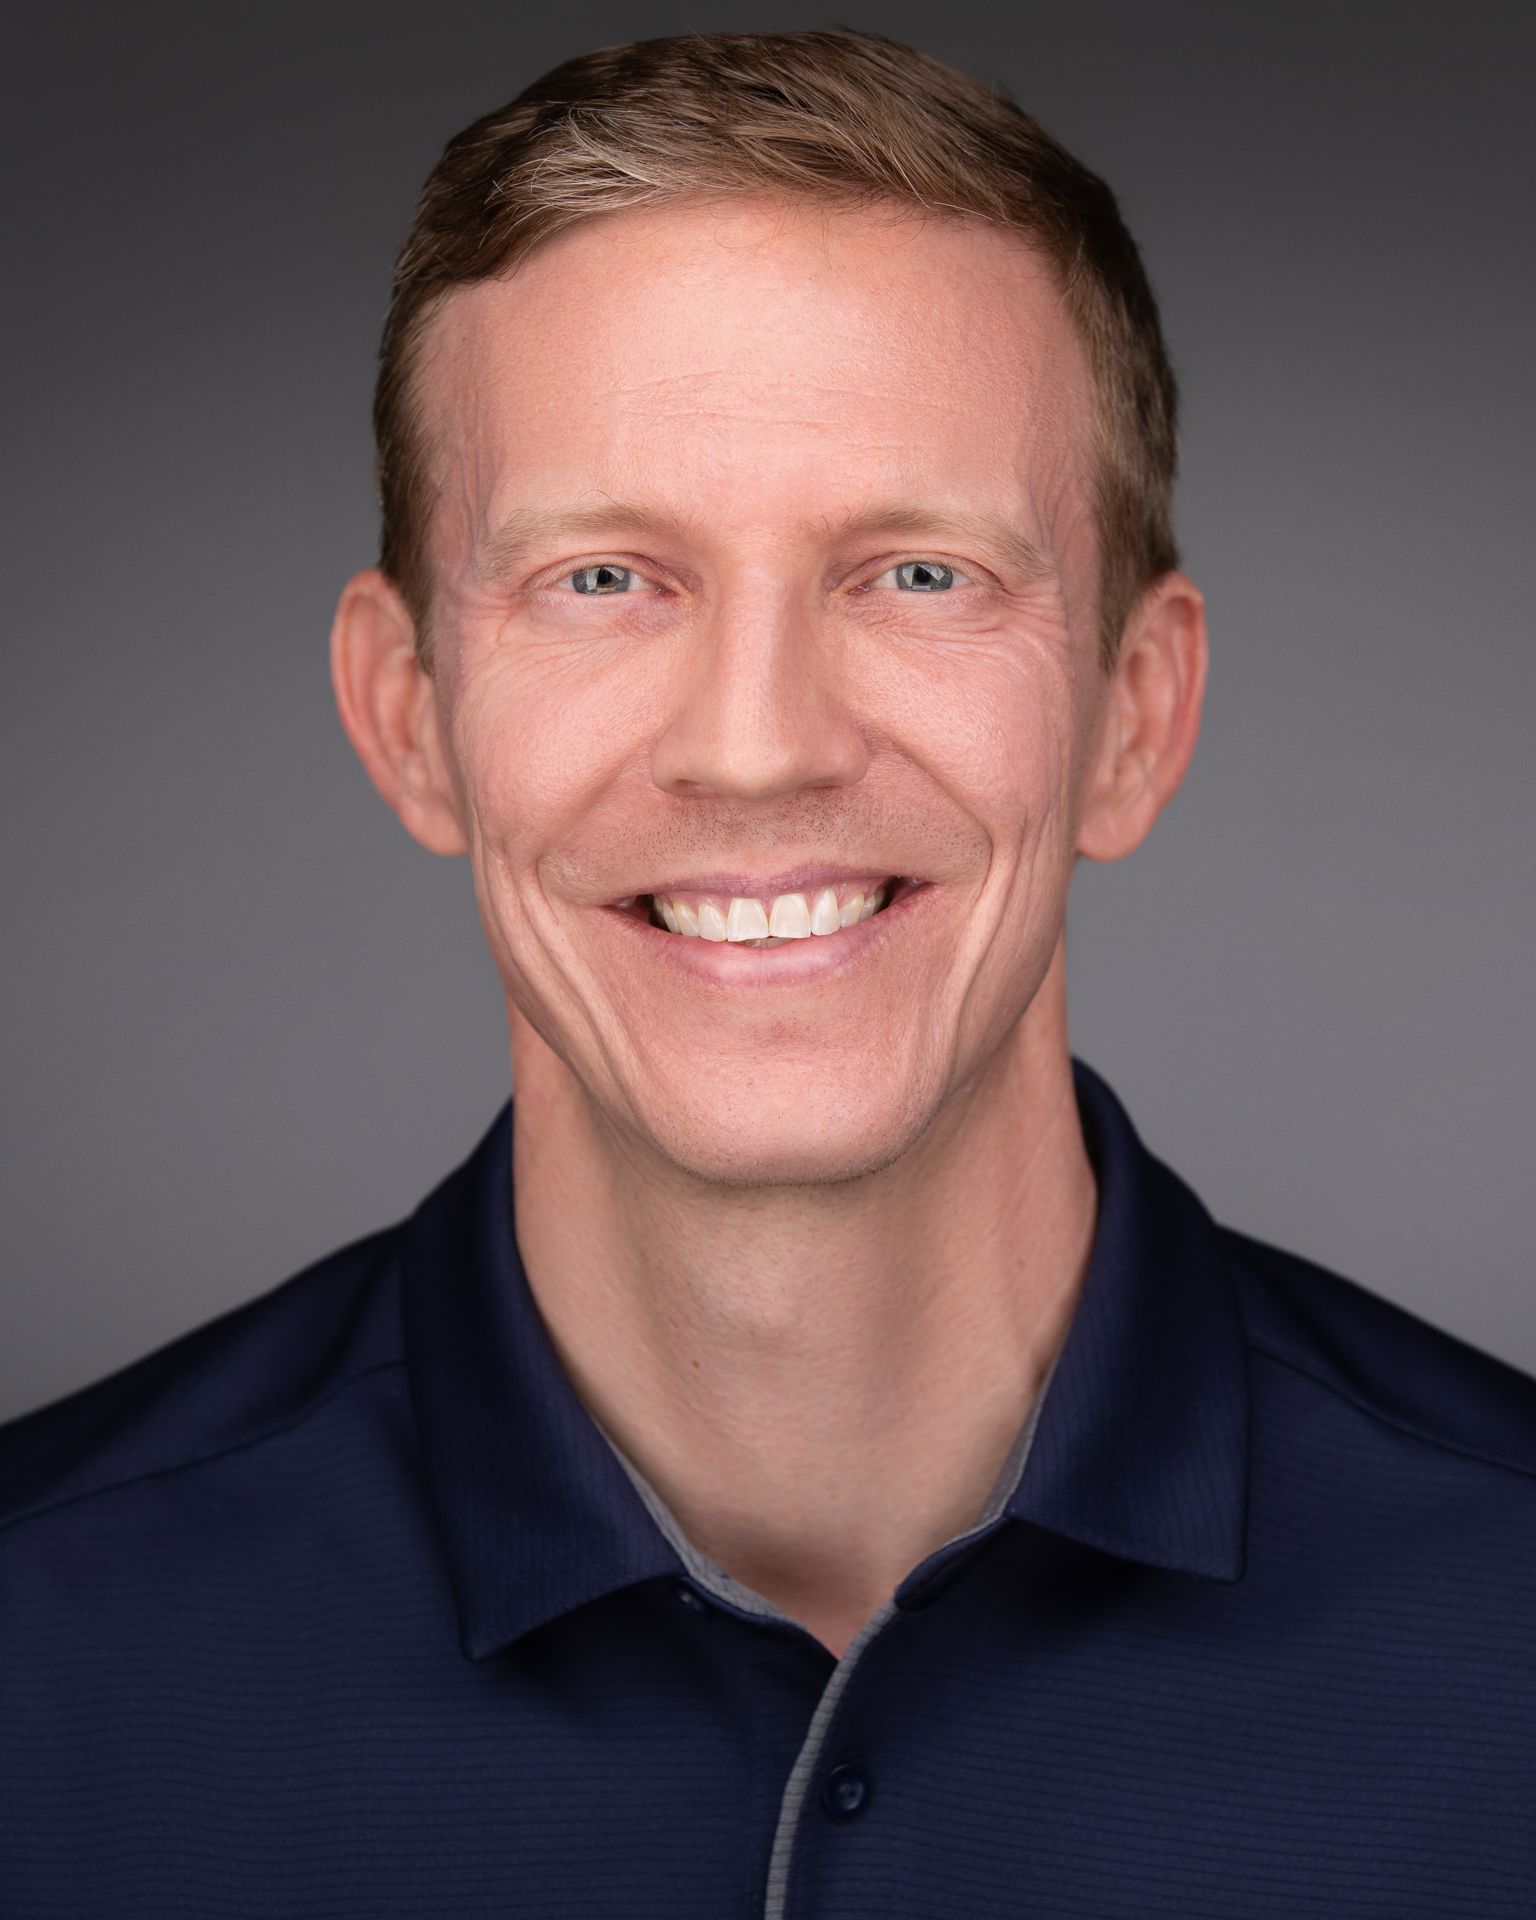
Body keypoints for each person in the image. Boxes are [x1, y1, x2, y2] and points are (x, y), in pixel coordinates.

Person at [2, 25, 1532, 1916]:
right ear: (410, 719)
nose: (757, 746)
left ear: (1136, 716)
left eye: (914, 575)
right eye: (604, 578)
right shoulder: (33, 1655)